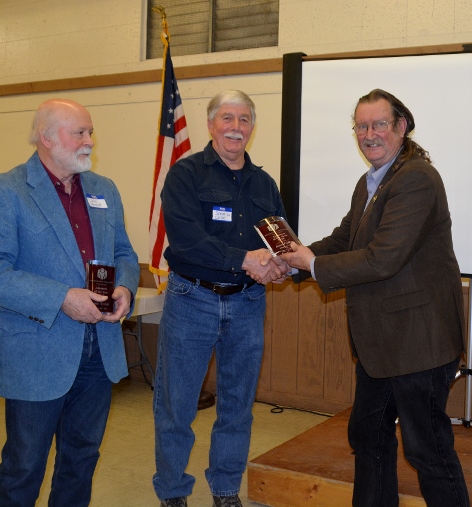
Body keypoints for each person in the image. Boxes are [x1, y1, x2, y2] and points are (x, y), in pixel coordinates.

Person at [280, 89, 470, 507]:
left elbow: (383, 259)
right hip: (381, 344)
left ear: (401, 128)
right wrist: (292, 261)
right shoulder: (369, 182)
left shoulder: (417, 177)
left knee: (427, 451)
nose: (369, 134)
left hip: (419, 343)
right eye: (361, 126)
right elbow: (343, 240)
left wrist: (312, 266)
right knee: (368, 436)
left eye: (379, 124)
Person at [0, 98, 139, 507]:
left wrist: (125, 289)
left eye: (90, 131)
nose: (89, 141)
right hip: (36, 351)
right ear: (45, 137)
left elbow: (126, 254)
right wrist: (61, 298)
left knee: (81, 460)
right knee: (24, 467)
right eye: (78, 132)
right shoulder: (3, 190)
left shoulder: (104, 190)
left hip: (99, 352)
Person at [152, 89, 289, 507]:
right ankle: (173, 490)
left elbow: (279, 236)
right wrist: (247, 259)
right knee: (177, 404)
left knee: (238, 404)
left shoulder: (264, 182)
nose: (236, 127)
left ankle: (226, 488)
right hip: (192, 299)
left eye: (244, 119)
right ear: (212, 125)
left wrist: (284, 264)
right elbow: (188, 241)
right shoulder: (185, 175)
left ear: (252, 127)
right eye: (227, 118)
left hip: (247, 304)